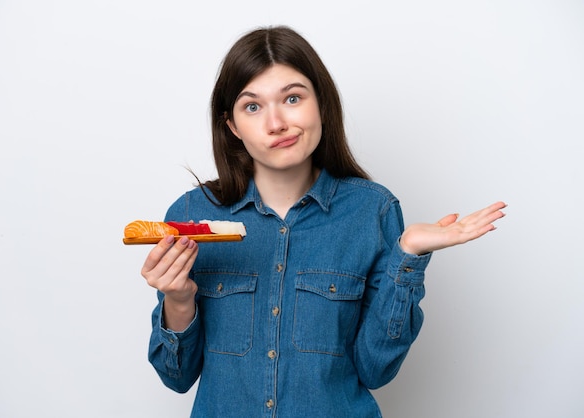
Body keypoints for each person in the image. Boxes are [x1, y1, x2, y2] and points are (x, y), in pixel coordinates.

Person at [140, 25, 506, 417]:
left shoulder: (373, 211)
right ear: (231, 126)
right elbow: (175, 377)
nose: (276, 123)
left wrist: (408, 257)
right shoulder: (191, 217)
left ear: (322, 104)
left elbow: (376, 369)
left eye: (292, 98)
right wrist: (179, 300)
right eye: (253, 107)